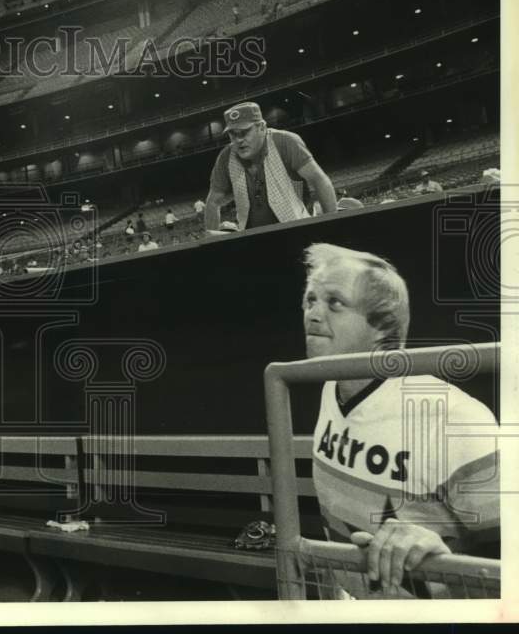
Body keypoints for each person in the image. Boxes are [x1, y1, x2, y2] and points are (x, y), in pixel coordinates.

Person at [301, 243, 499, 598]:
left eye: (335, 303)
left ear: (383, 326)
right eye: (310, 299)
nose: (313, 314)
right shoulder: (333, 385)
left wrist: (442, 554)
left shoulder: (453, 417)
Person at [204, 101, 337, 231]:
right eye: (233, 134)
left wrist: (331, 226)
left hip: (297, 229)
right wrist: (212, 241)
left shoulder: (285, 142)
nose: (238, 140)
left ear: (262, 127)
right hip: (253, 239)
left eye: (244, 132)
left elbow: (319, 180)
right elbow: (213, 202)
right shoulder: (226, 157)